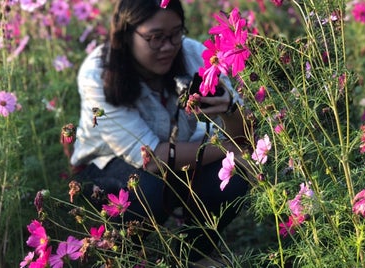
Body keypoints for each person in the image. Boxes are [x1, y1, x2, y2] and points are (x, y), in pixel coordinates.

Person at [69, 0, 249, 264]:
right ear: (127, 34)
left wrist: (230, 110)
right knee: (146, 190)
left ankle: (192, 251)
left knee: (238, 172)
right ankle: (130, 253)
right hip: (108, 169)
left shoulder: (193, 54)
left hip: (181, 161)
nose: (169, 46)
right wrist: (230, 149)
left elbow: (244, 135)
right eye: (155, 38)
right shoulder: (99, 71)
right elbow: (152, 158)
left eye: (176, 33)